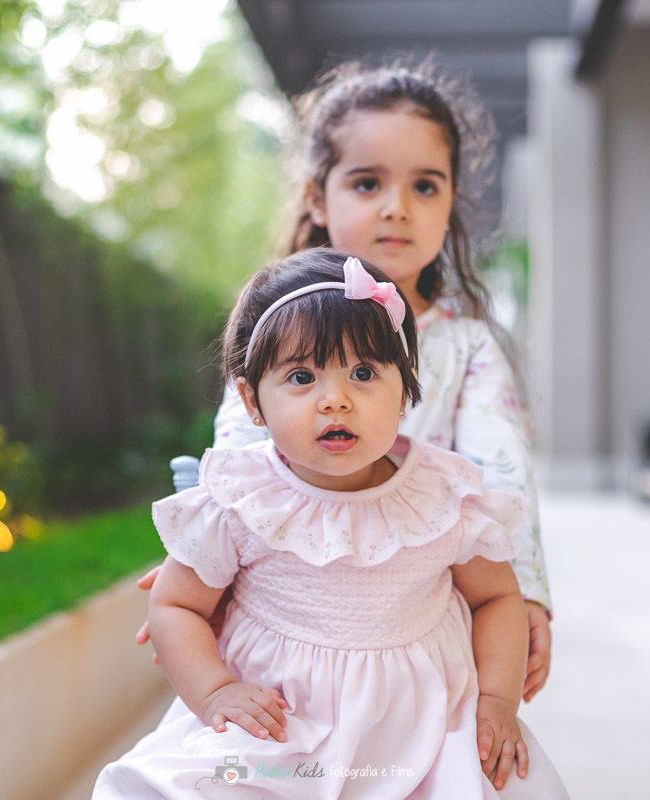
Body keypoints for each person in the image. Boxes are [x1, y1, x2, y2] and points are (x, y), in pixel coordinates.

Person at [139, 59, 554, 703]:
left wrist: (523, 589)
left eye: (425, 187)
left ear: (451, 203)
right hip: (283, 612)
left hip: (417, 625)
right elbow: (241, 452)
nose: (397, 208)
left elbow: (501, 472)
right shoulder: (277, 331)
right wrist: (204, 559)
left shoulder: (467, 345)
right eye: (367, 183)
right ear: (316, 195)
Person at [94, 251, 567, 799]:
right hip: (279, 723)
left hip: (422, 722)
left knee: (498, 785)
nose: (336, 399)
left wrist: (496, 701)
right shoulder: (244, 499)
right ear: (252, 400)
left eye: (364, 373)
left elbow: (496, 598)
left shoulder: (442, 496)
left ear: (406, 388)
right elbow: (177, 605)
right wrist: (215, 692)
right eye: (302, 376)